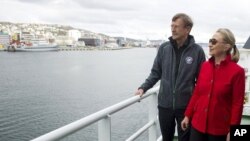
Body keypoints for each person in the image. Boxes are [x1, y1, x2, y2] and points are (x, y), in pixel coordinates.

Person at [135, 13, 206, 141]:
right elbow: (156, 72)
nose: (173, 29)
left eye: (177, 26)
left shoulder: (197, 51)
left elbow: (201, 81)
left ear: (187, 29)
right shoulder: (164, 48)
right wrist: (143, 88)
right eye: (172, 26)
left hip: (186, 106)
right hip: (165, 105)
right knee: (166, 138)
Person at [181, 28, 245, 141]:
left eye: (214, 41)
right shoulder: (204, 66)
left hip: (220, 129)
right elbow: (197, 93)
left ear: (227, 46)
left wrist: (234, 130)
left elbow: (237, 104)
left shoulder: (237, 72)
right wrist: (187, 115)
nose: (210, 44)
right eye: (210, 41)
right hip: (197, 124)